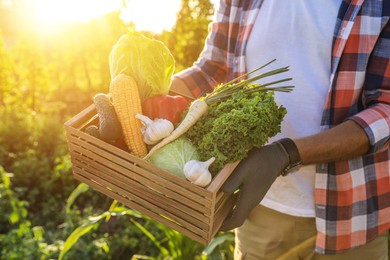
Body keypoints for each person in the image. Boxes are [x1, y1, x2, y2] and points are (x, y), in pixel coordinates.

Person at [169, 0, 390, 259]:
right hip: (260, 213)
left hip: (353, 220)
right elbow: (213, 69)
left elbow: (385, 107)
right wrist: (152, 94)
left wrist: (287, 153)